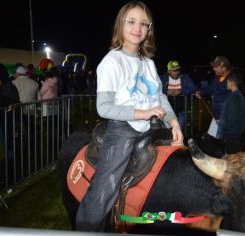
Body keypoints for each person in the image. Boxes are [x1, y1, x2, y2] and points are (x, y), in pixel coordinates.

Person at [75, 1, 183, 232]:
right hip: (123, 129)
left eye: (144, 24)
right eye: (131, 21)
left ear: (149, 30)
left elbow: (159, 97)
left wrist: (173, 122)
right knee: (105, 188)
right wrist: (142, 113)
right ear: (120, 25)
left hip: (152, 126)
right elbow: (103, 107)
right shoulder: (112, 61)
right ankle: (87, 227)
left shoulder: (149, 63)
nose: (138, 28)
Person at [160, 60, 197, 131]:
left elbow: (193, 88)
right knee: (168, 128)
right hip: (167, 109)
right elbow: (157, 90)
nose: (177, 72)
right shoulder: (163, 78)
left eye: (178, 70)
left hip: (181, 108)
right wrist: (166, 92)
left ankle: (180, 140)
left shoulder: (185, 77)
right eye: (174, 70)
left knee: (180, 127)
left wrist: (181, 91)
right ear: (169, 71)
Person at [199, 56, 231, 138]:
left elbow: (219, 90)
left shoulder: (232, 79)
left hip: (227, 117)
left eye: (216, 66)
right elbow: (211, 88)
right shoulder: (217, 77)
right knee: (211, 139)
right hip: (217, 116)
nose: (214, 68)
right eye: (213, 66)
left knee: (221, 142)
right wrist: (201, 92)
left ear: (223, 68)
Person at [217, 74, 245, 154]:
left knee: (233, 157)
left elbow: (232, 117)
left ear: (232, 83)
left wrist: (224, 129)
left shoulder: (234, 97)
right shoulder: (237, 95)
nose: (226, 84)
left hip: (232, 133)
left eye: (227, 82)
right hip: (234, 132)